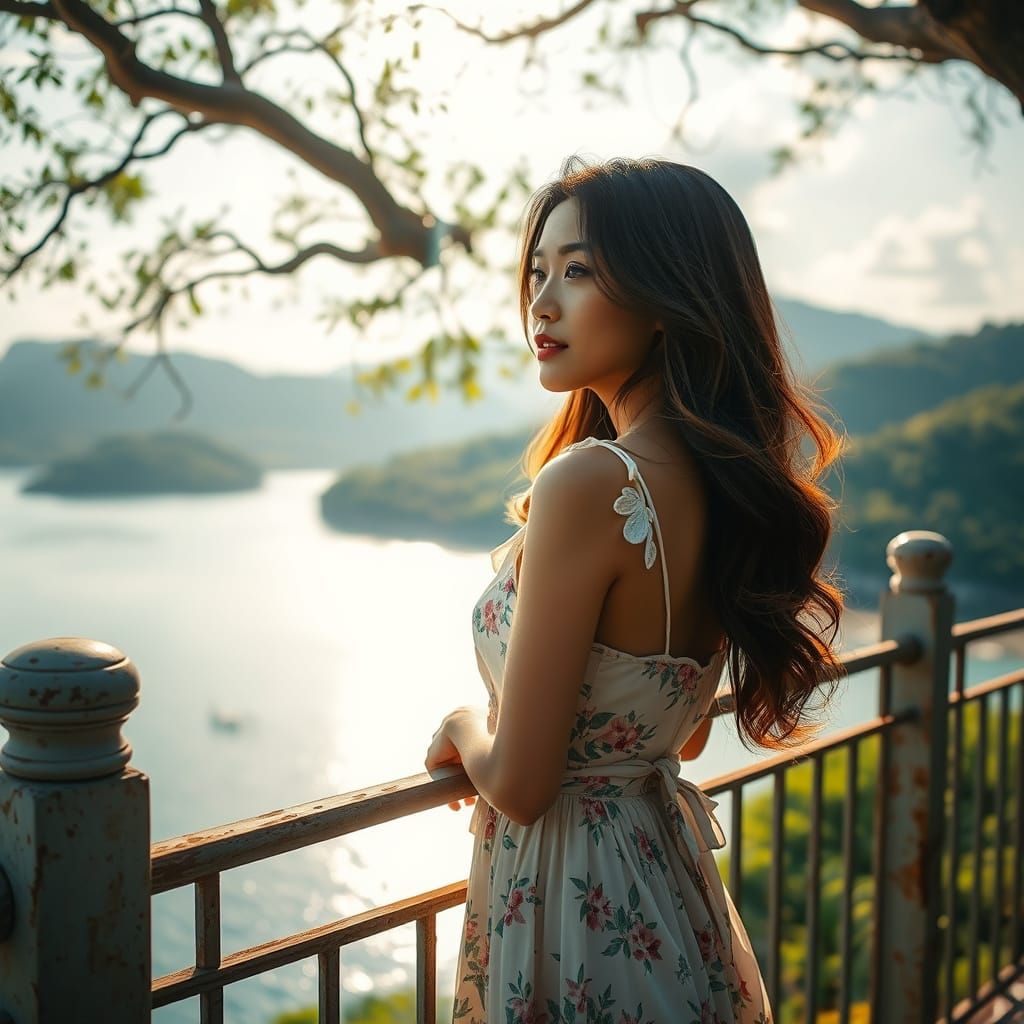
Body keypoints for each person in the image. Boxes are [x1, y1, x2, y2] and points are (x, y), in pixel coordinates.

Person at [424, 154, 845, 1023]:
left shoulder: (588, 483)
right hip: (662, 886)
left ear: (664, 298)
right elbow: (680, 735)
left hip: (570, 904)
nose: (542, 303)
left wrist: (462, 725)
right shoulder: (724, 485)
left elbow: (524, 784)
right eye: (538, 272)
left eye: (578, 272)